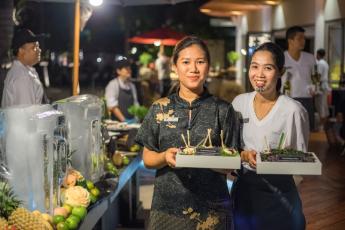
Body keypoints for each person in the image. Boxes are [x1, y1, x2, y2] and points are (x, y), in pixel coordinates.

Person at [135, 36, 240, 229]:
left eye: (200, 62)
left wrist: (206, 159)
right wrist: (165, 157)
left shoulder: (223, 110)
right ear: (174, 66)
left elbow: (232, 162)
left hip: (212, 211)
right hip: (167, 209)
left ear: (208, 66)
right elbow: (148, 158)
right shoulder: (160, 108)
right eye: (186, 62)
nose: (193, 69)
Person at [231, 42, 308, 230]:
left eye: (268, 68)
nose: (259, 74)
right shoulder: (239, 103)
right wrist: (242, 155)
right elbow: (230, 147)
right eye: (254, 66)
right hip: (244, 193)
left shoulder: (293, 110)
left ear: (280, 71)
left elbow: (301, 161)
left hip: (280, 197)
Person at [282, 26, 316, 131]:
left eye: (304, 38)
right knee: (288, 130)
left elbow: (315, 77)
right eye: (300, 38)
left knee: (306, 131)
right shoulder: (282, 58)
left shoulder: (310, 58)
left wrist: (315, 87)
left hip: (307, 100)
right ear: (290, 40)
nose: (303, 41)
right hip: (287, 99)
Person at [2, 29, 44, 107]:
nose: (39, 50)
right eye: (34, 47)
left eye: (38, 46)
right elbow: (27, 115)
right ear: (21, 51)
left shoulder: (23, 71)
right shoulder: (22, 77)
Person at [105, 56, 139, 122]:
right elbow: (112, 106)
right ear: (118, 71)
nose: (129, 71)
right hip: (117, 123)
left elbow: (135, 103)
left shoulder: (132, 86)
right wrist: (124, 120)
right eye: (126, 69)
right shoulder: (113, 85)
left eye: (130, 69)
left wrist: (136, 118)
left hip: (132, 122)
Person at [315, 48, 330, 128]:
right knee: (324, 106)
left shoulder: (320, 63)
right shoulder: (325, 63)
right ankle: (324, 126)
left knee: (320, 106)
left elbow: (318, 77)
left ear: (318, 54)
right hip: (325, 86)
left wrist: (316, 88)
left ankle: (321, 127)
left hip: (321, 86)